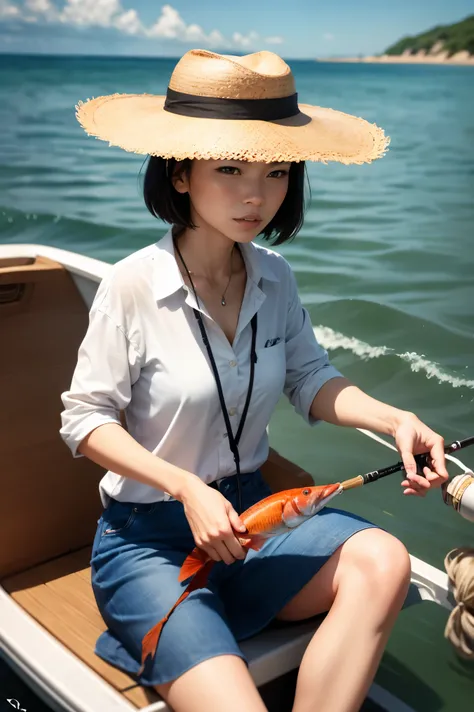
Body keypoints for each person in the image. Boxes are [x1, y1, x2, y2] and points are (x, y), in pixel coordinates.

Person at [60, 49, 449, 712]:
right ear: (180, 174)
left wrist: (394, 420)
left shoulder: (274, 277)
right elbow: (84, 421)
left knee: (383, 560)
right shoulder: (131, 286)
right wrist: (184, 487)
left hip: (258, 524)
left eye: (276, 172)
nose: (255, 195)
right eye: (230, 169)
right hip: (149, 541)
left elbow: (309, 377)